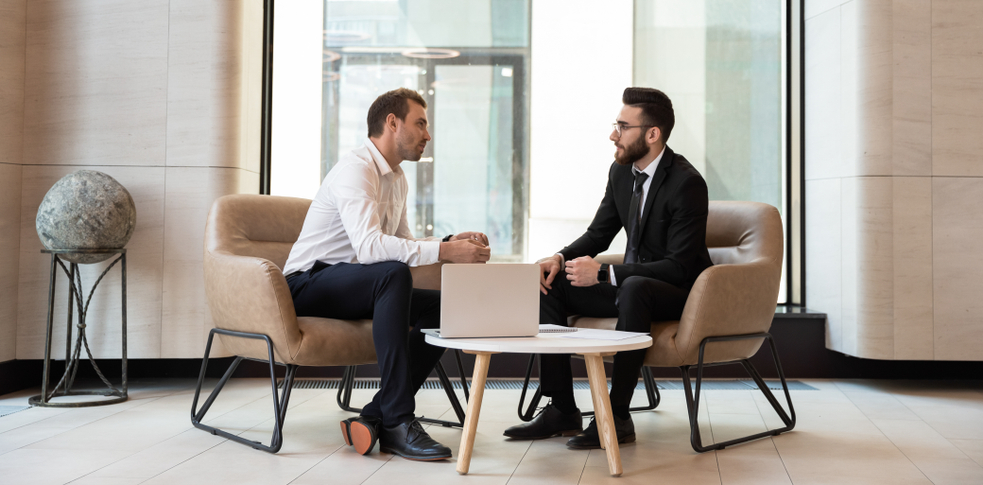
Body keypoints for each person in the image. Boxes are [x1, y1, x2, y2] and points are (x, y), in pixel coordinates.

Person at [283, 88, 491, 461]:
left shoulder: (396, 178)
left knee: (442, 310)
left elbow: (401, 243)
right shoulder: (356, 169)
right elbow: (371, 249)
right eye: (421, 123)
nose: (428, 135)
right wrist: (446, 252)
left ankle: (377, 414)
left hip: (356, 283)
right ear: (392, 123)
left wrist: (447, 241)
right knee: (392, 274)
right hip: (307, 283)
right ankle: (398, 420)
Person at [503, 87, 712, 448]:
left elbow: (678, 267)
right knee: (552, 283)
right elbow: (598, 234)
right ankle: (562, 408)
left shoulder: (687, 184)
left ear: (652, 134)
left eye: (622, 126)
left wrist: (603, 273)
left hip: (676, 293)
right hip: (631, 288)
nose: (613, 134)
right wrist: (559, 258)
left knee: (634, 287)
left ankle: (615, 416)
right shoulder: (621, 174)